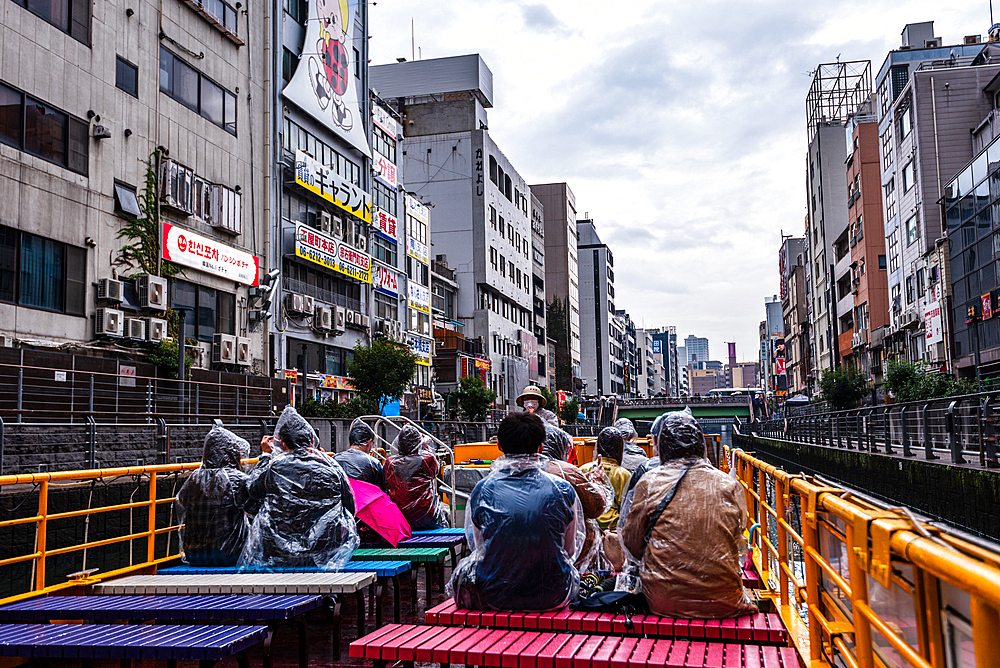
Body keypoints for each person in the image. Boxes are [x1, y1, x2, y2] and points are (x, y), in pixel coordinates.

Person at [619, 409, 757, 619]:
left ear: (662, 446)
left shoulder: (649, 483)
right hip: (724, 600)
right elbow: (736, 539)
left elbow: (631, 544)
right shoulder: (728, 484)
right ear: (700, 445)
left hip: (663, 601)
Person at [449, 412, 583, 611]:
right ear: (541, 448)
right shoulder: (563, 490)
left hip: (493, 596)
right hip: (553, 596)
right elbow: (570, 551)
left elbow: (479, 548)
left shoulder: (482, 489)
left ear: (500, 446)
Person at [238, 406, 359, 570]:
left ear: (282, 444)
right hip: (323, 553)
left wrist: (265, 456)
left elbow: (251, 490)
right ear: (311, 441)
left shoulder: (274, 468)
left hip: (279, 554)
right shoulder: (332, 467)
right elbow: (350, 507)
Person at [176, 425, 251, 566]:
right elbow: (255, 507)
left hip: (194, 554)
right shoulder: (237, 479)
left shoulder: (194, 478)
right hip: (230, 553)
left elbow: (182, 501)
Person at [542, 424, 609, 571]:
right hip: (563, 555)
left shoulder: (510, 472)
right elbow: (596, 506)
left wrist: (584, 480)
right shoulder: (564, 470)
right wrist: (597, 481)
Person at [384, 425, 446, 530]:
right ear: (418, 443)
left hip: (401, 517)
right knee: (442, 522)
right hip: (426, 516)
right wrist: (426, 447)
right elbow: (435, 472)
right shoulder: (426, 459)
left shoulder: (390, 463)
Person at [580, 428, 631, 529]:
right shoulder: (625, 475)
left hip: (588, 529)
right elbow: (627, 510)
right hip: (613, 530)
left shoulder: (583, 470)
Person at [333, 421, 386, 491]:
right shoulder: (373, 463)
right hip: (366, 500)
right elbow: (381, 490)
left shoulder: (334, 459)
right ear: (367, 442)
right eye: (372, 443)